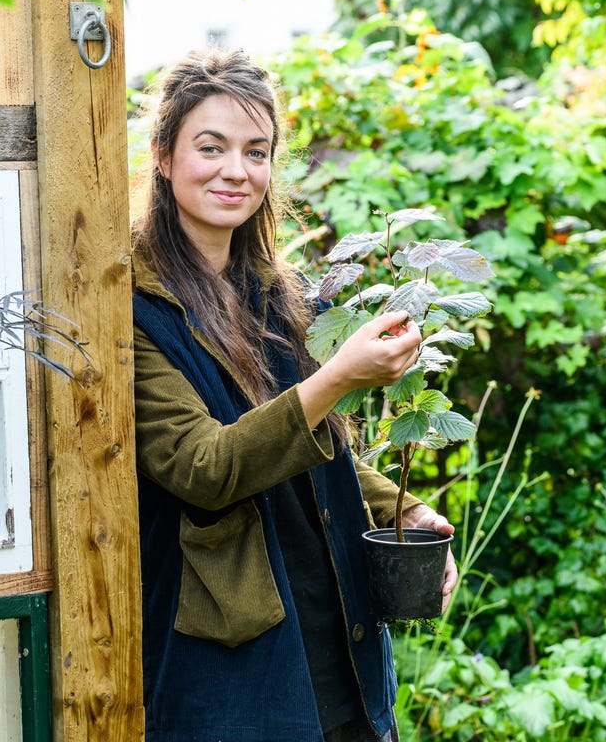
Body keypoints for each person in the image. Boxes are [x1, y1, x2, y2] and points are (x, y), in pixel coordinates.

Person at [131, 46, 458, 742]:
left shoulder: (279, 294)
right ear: (163, 155)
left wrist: (405, 508)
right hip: (236, 667)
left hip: (339, 642)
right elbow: (204, 469)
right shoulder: (132, 309)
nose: (236, 171)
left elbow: (317, 443)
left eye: (257, 151)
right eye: (211, 147)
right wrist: (337, 375)